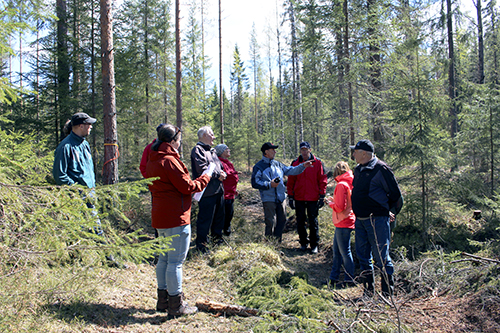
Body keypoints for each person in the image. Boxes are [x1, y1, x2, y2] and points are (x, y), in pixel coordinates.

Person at [146, 124, 211, 317]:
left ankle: (163, 300)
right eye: (179, 139)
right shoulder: (169, 161)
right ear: (172, 140)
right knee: (175, 262)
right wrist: (205, 177)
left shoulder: (153, 158)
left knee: (164, 260)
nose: (180, 143)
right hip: (176, 216)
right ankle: (176, 305)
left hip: (160, 216)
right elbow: (187, 187)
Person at [351, 139, 403, 297]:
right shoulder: (358, 169)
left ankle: (388, 294)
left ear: (364, 153)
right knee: (363, 256)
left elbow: (396, 195)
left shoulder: (381, 169)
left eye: (355, 151)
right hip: (360, 219)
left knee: (381, 257)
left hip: (377, 220)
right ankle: (368, 292)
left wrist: (390, 213)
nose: (353, 154)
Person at [251, 142, 313, 242]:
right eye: (273, 150)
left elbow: (291, 170)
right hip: (268, 199)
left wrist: (303, 166)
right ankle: (269, 246)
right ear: (266, 152)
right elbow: (255, 182)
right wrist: (269, 184)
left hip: (281, 198)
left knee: (282, 220)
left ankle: (277, 243)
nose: (275, 152)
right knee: (271, 222)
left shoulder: (277, 164)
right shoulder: (259, 166)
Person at [191, 126, 227, 253]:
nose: (214, 137)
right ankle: (202, 247)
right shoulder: (198, 150)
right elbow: (202, 169)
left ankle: (217, 243)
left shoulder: (212, 151)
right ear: (204, 135)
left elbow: (220, 166)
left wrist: (223, 173)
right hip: (206, 192)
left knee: (219, 218)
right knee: (205, 220)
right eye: (212, 134)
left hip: (218, 190)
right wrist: (219, 175)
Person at [287, 141, 327, 254]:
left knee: (313, 221)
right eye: (302, 150)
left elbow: (322, 179)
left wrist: (322, 195)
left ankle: (314, 244)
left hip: (313, 197)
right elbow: (291, 180)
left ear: (310, 150)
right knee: (300, 221)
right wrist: (290, 196)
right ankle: (303, 243)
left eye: (306, 149)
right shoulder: (295, 163)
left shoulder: (318, 162)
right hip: (299, 196)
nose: (304, 152)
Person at [326, 161, 355, 289]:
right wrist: (334, 200)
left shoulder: (341, 185)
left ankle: (349, 280)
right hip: (344, 221)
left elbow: (340, 207)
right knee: (337, 252)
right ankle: (333, 279)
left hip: (343, 222)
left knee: (345, 253)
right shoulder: (349, 183)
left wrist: (329, 203)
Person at [215, 144, 239, 236]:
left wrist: (234, 189)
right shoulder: (219, 163)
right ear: (221, 152)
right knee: (223, 217)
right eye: (226, 149)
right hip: (224, 195)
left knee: (229, 215)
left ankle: (226, 234)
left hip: (231, 194)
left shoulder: (228, 162)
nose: (229, 150)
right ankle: (219, 237)